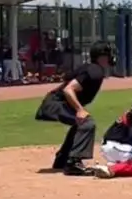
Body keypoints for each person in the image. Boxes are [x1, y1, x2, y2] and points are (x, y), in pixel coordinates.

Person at [34, 42, 113, 175]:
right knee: (87, 122)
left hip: (55, 102)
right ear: (102, 57)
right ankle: (74, 163)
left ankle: (63, 160)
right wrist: (79, 110)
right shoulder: (95, 70)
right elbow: (68, 89)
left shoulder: (92, 69)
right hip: (56, 103)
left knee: (80, 123)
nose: (110, 57)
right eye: (107, 54)